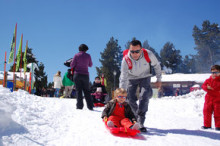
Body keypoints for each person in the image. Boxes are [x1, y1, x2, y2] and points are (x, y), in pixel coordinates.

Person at [119, 40, 162, 132]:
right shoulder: (125, 60)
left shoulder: (149, 54)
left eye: (137, 51)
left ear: (141, 50)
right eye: (132, 51)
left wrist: (159, 79)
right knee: (130, 99)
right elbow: (123, 77)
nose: (134, 54)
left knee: (144, 96)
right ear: (129, 50)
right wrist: (122, 91)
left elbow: (157, 66)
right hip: (131, 78)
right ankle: (136, 118)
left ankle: (141, 121)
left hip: (145, 77)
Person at [70, 44, 93, 110]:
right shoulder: (88, 56)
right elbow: (90, 65)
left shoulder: (76, 55)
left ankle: (79, 106)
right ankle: (90, 106)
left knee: (78, 91)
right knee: (86, 91)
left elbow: (72, 65)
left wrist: (72, 62)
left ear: (79, 49)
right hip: (85, 75)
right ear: (86, 49)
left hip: (77, 74)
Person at [201, 65, 220, 131]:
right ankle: (207, 125)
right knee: (206, 112)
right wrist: (207, 88)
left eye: (216, 72)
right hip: (209, 99)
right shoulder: (208, 80)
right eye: (213, 72)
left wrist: (213, 89)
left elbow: (217, 89)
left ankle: (218, 126)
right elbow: (203, 86)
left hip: (218, 100)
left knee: (218, 113)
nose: (214, 74)